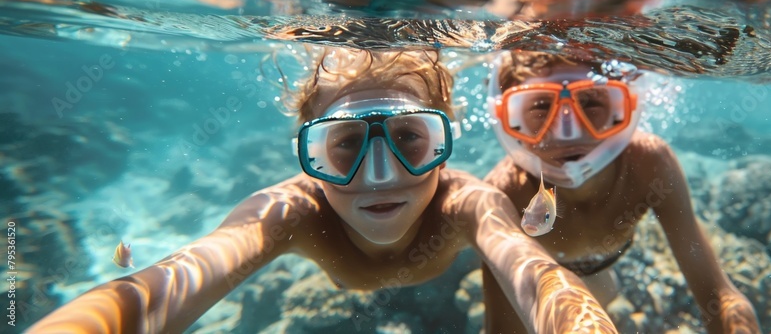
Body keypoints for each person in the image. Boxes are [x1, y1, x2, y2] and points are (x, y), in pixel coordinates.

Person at [28, 49, 616, 334]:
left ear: (444, 145)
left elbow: (536, 276)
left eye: (411, 140)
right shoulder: (288, 212)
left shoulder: (469, 203)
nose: (380, 174)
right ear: (309, 159)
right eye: (344, 145)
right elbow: (160, 290)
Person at [480, 51, 761, 333]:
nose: (567, 130)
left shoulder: (650, 163)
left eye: (590, 103)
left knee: (604, 291)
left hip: (606, 265)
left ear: (623, 110)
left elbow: (718, 293)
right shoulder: (501, 193)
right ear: (508, 119)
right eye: (540, 106)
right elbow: (502, 327)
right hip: (548, 282)